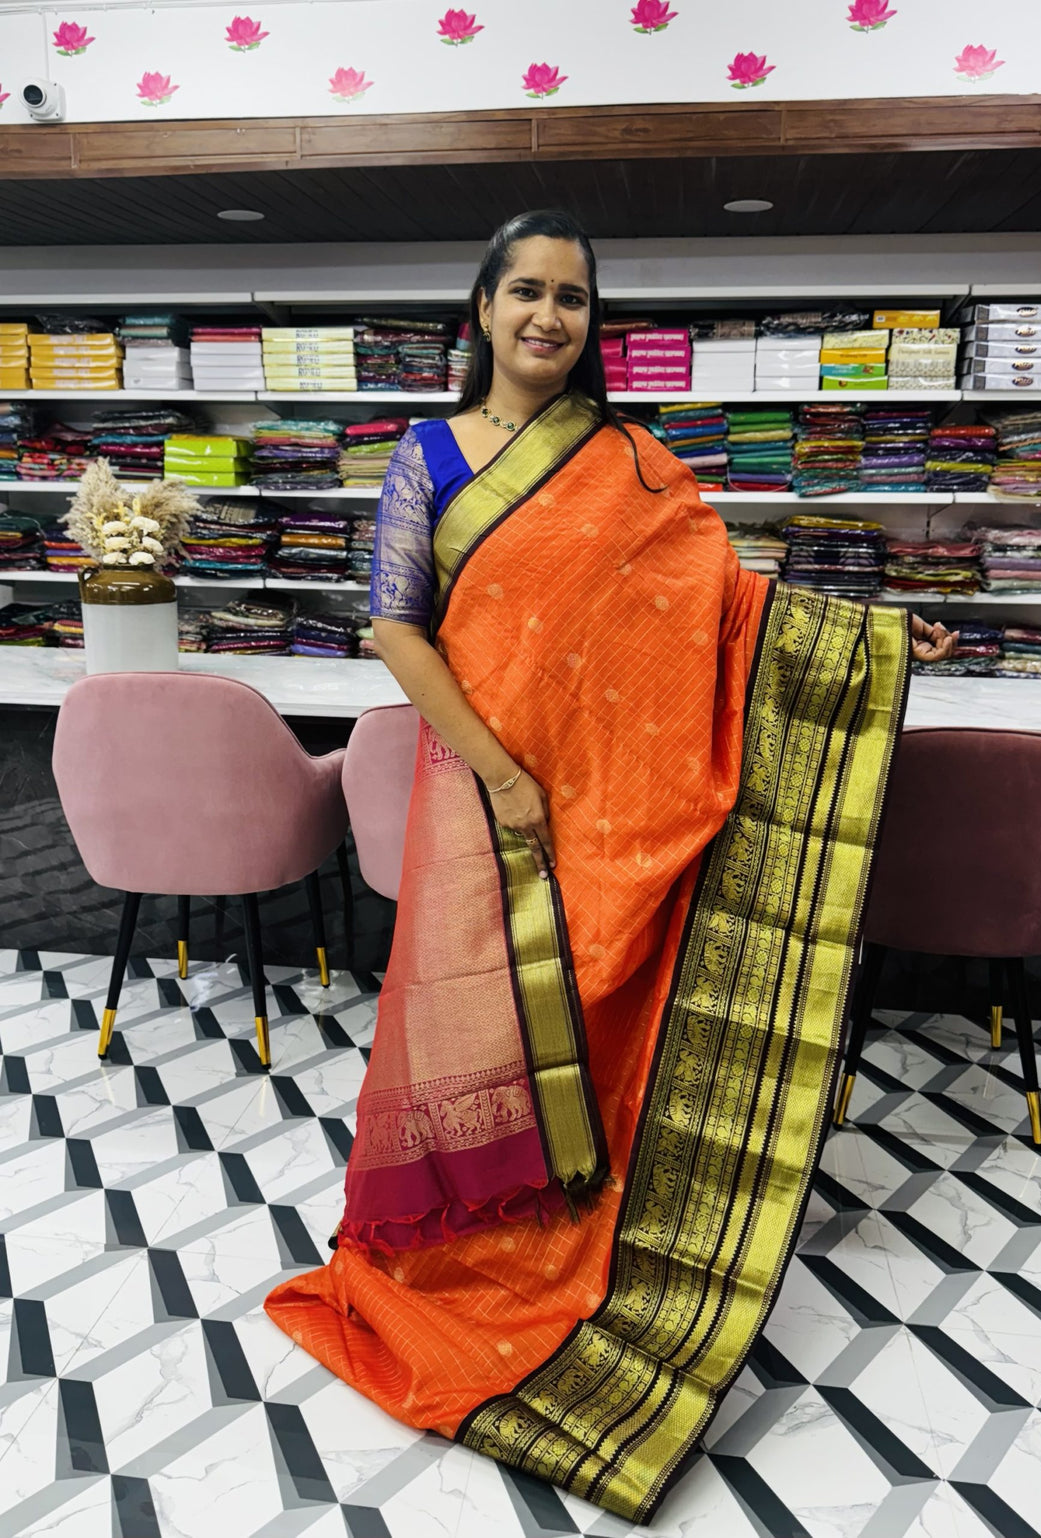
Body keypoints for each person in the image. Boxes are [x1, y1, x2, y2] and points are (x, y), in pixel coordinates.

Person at [266, 210, 950, 1524]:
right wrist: (504, 766)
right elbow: (398, 632)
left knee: (599, 1011)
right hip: (483, 797)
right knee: (471, 1024)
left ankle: (589, 1244)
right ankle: (461, 1254)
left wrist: (858, 638)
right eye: (525, 290)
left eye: (573, 298)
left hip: (612, 802)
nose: (548, 316)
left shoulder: (631, 458)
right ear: (481, 308)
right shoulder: (425, 457)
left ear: (593, 321)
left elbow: (713, 600)